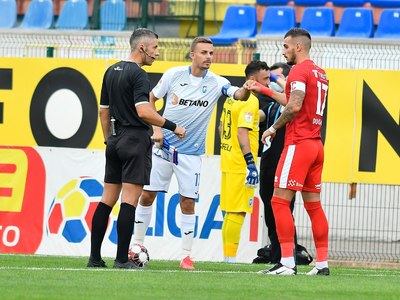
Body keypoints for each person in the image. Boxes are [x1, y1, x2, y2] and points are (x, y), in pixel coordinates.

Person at [132, 36, 251, 270]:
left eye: (211, 53)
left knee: (187, 202)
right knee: (147, 196)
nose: (208, 57)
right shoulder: (173, 75)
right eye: (204, 52)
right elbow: (151, 98)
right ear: (192, 55)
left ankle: (186, 256)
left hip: (191, 154)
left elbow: (237, 95)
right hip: (162, 148)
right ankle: (135, 246)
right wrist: (156, 128)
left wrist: (246, 90)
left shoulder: (217, 82)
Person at [87, 28, 186, 269]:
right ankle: (122, 260)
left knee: (106, 200)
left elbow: (103, 110)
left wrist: (107, 139)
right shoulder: (139, 75)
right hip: (134, 140)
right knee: (129, 202)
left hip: (114, 140)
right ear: (142, 48)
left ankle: (94, 259)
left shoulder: (111, 71)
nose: (157, 53)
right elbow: (143, 111)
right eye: (155, 48)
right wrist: (173, 126)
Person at [255, 28, 330, 275]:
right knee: (314, 206)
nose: (283, 51)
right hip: (316, 145)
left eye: (286, 46)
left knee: (278, 201)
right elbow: (294, 100)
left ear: (298, 47)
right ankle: (322, 264)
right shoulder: (320, 73)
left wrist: (274, 128)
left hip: (299, 143)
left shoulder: (299, 70)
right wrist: (265, 90)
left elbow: (295, 105)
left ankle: (287, 262)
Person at [218, 60, 265, 263]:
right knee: (238, 211)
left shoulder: (231, 98)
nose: (268, 85)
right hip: (241, 164)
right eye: (264, 80)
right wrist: (250, 164)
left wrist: (228, 149)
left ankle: (228, 257)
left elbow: (221, 128)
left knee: (231, 210)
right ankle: (230, 258)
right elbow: (242, 131)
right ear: (252, 80)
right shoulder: (251, 100)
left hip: (229, 160)